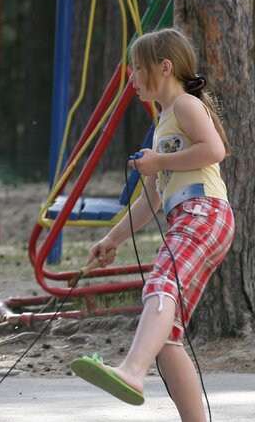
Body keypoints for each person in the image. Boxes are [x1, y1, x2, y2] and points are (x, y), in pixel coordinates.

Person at [70, 28, 233, 421]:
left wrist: (158, 162)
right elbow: (150, 200)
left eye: (137, 68)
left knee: (161, 285)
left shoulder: (185, 106)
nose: (132, 78)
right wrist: (112, 239)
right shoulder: (164, 122)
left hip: (204, 213)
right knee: (167, 338)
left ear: (164, 67)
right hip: (190, 217)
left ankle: (131, 371)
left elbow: (215, 150)